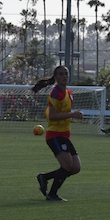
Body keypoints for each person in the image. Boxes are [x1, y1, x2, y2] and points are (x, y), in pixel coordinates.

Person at [33, 65, 83, 202]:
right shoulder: (56, 93)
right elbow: (53, 116)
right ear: (55, 77)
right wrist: (73, 114)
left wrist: (73, 114)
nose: (64, 76)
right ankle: (52, 194)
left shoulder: (68, 92)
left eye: (66, 74)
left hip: (65, 135)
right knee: (67, 166)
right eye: (60, 74)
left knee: (76, 168)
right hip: (54, 135)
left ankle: (45, 177)